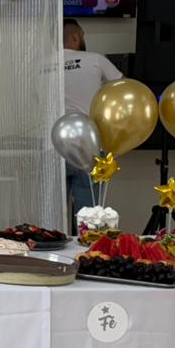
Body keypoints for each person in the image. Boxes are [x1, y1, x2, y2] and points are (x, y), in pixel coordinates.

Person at [62, 18, 122, 222]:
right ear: (75, 36)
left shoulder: (40, 64)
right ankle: (85, 251)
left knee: (53, 214)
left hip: (53, 144)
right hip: (89, 143)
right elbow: (124, 90)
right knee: (89, 216)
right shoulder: (95, 59)